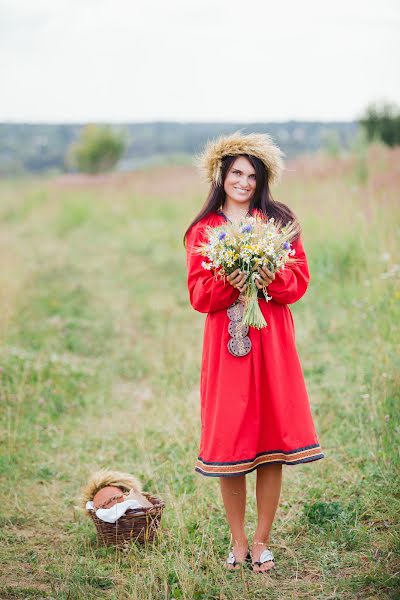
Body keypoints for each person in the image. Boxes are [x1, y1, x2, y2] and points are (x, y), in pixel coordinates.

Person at [184, 132, 324, 574]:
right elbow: (199, 295)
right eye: (236, 172)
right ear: (221, 174)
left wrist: (266, 275)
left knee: (269, 439)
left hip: (272, 341)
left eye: (252, 175)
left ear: (263, 180)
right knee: (232, 436)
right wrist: (232, 278)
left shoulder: (278, 221)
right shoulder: (203, 230)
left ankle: (263, 540)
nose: (244, 181)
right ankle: (239, 541)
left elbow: (297, 284)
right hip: (228, 345)